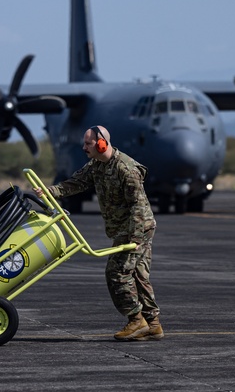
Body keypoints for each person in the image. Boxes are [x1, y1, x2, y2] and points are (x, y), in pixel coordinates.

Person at [39, 125, 163, 341]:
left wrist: (134, 238)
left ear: (102, 144)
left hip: (136, 229)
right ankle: (153, 324)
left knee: (117, 274)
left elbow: (139, 206)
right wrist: (50, 192)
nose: (84, 147)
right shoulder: (97, 165)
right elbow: (76, 183)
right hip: (124, 228)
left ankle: (136, 320)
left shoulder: (126, 169)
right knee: (139, 276)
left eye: (88, 143)